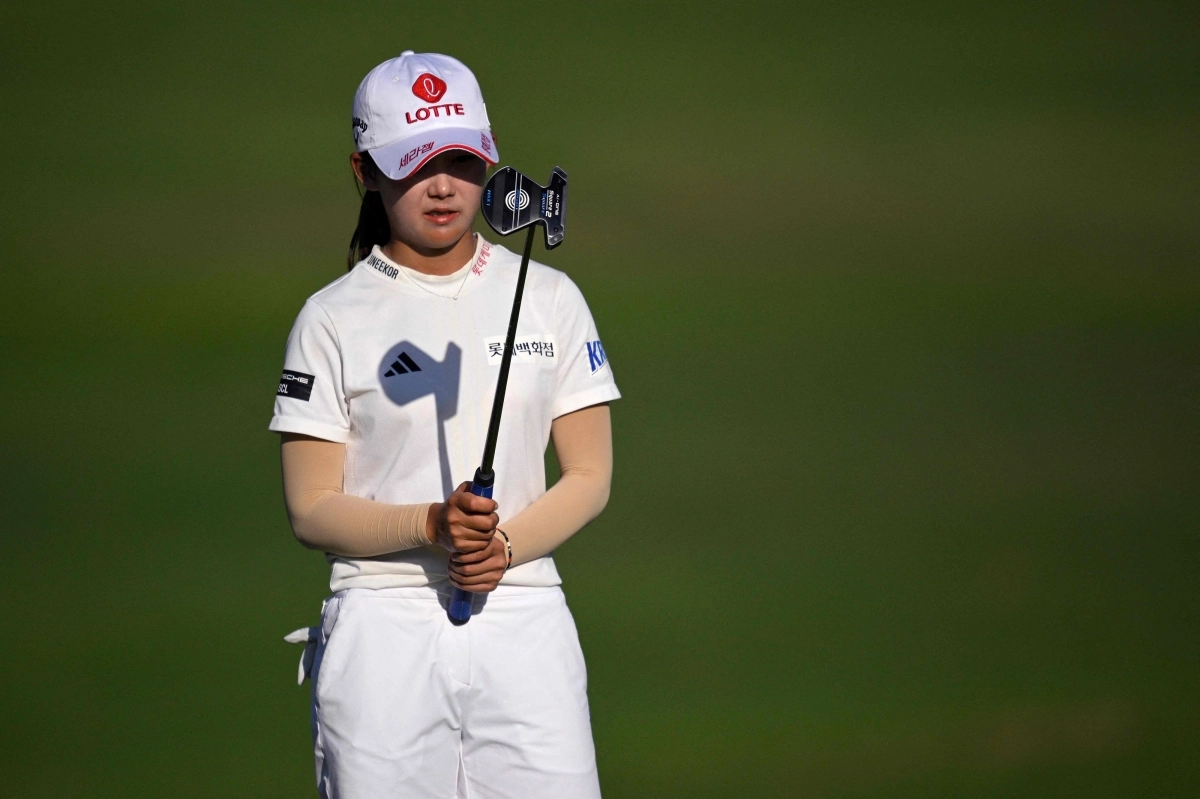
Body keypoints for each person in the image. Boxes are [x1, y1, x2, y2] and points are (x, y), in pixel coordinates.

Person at [270, 52, 619, 799]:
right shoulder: (331, 317)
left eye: (460, 161)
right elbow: (311, 507)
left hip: (523, 608)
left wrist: (504, 547)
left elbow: (590, 475)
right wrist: (432, 521)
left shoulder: (550, 295)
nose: (441, 186)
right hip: (382, 618)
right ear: (365, 171)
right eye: (412, 163)